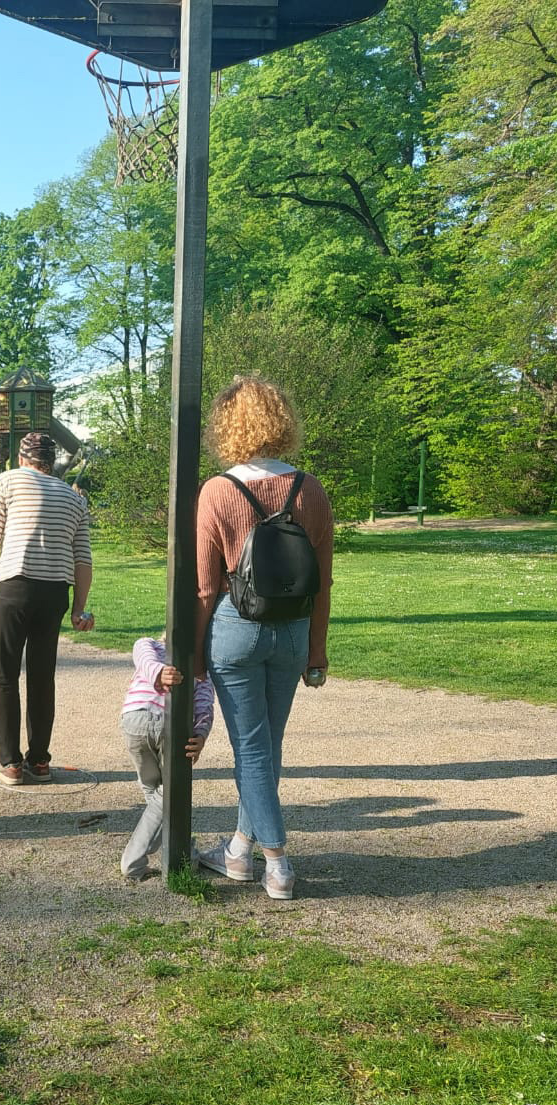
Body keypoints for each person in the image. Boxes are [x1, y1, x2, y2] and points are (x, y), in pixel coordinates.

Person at [192, 376, 334, 901]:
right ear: (282, 419)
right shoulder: (310, 489)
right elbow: (323, 579)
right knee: (267, 748)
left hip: (236, 630)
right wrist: (316, 649)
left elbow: (206, 587)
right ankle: (237, 850)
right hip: (294, 632)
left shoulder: (218, 491)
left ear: (228, 425)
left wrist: (192, 652)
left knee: (252, 748)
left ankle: (276, 861)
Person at [0, 431, 93, 788]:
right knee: (43, 678)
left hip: (14, 587)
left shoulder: (6, 482)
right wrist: (79, 608)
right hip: (55, 592)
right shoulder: (74, 499)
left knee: (5, 675)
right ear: (50, 462)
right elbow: (82, 559)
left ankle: (10, 762)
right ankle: (39, 760)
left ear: (23, 459)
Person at [119, 638, 216, 882]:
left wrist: (200, 736)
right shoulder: (200, 667)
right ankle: (135, 860)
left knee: (154, 790)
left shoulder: (148, 643)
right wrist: (200, 734)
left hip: (134, 721)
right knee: (171, 793)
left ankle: (182, 850)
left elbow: (143, 659)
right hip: (168, 725)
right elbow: (204, 706)